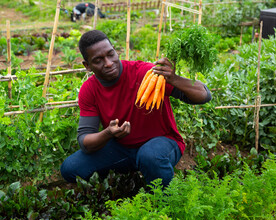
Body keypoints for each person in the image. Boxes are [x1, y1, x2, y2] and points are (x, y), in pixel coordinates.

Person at [60, 30, 212, 188]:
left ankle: (164, 201)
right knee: (70, 168)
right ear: (87, 66)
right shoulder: (90, 89)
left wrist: (173, 78)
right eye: (98, 60)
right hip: (122, 148)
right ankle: (133, 173)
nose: (109, 63)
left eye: (110, 54)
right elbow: (85, 141)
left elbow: (204, 95)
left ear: (115, 50)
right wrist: (108, 133)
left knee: (150, 156)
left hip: (163, 142)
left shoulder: (146, 73)